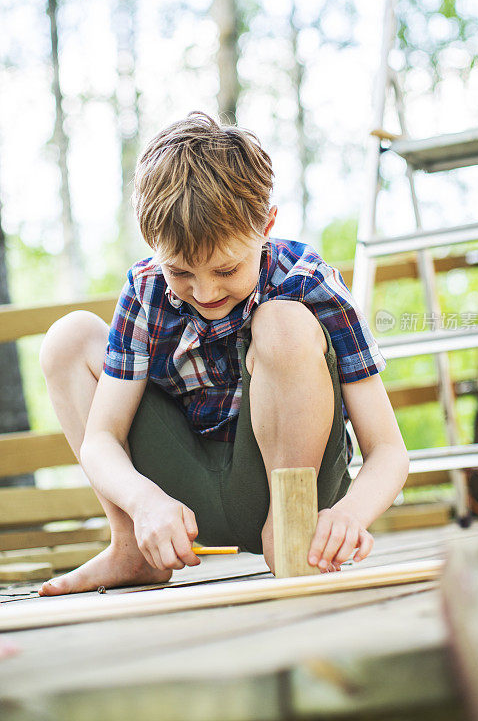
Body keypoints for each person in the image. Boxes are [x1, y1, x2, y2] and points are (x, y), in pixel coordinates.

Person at [38, 111, 409, 596]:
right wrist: (145, 501)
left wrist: (348, 516)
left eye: (227, 269)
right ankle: (133, 548)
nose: (206, 290)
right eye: (181, 272)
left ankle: (288, 534)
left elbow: (389, 450)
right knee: (69, 337)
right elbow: (99, 439)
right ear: (154, 247)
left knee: (283, 321)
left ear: (266, 225)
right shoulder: (146, 289)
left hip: (294, 488)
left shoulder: (308, 281)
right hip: (182, 500)